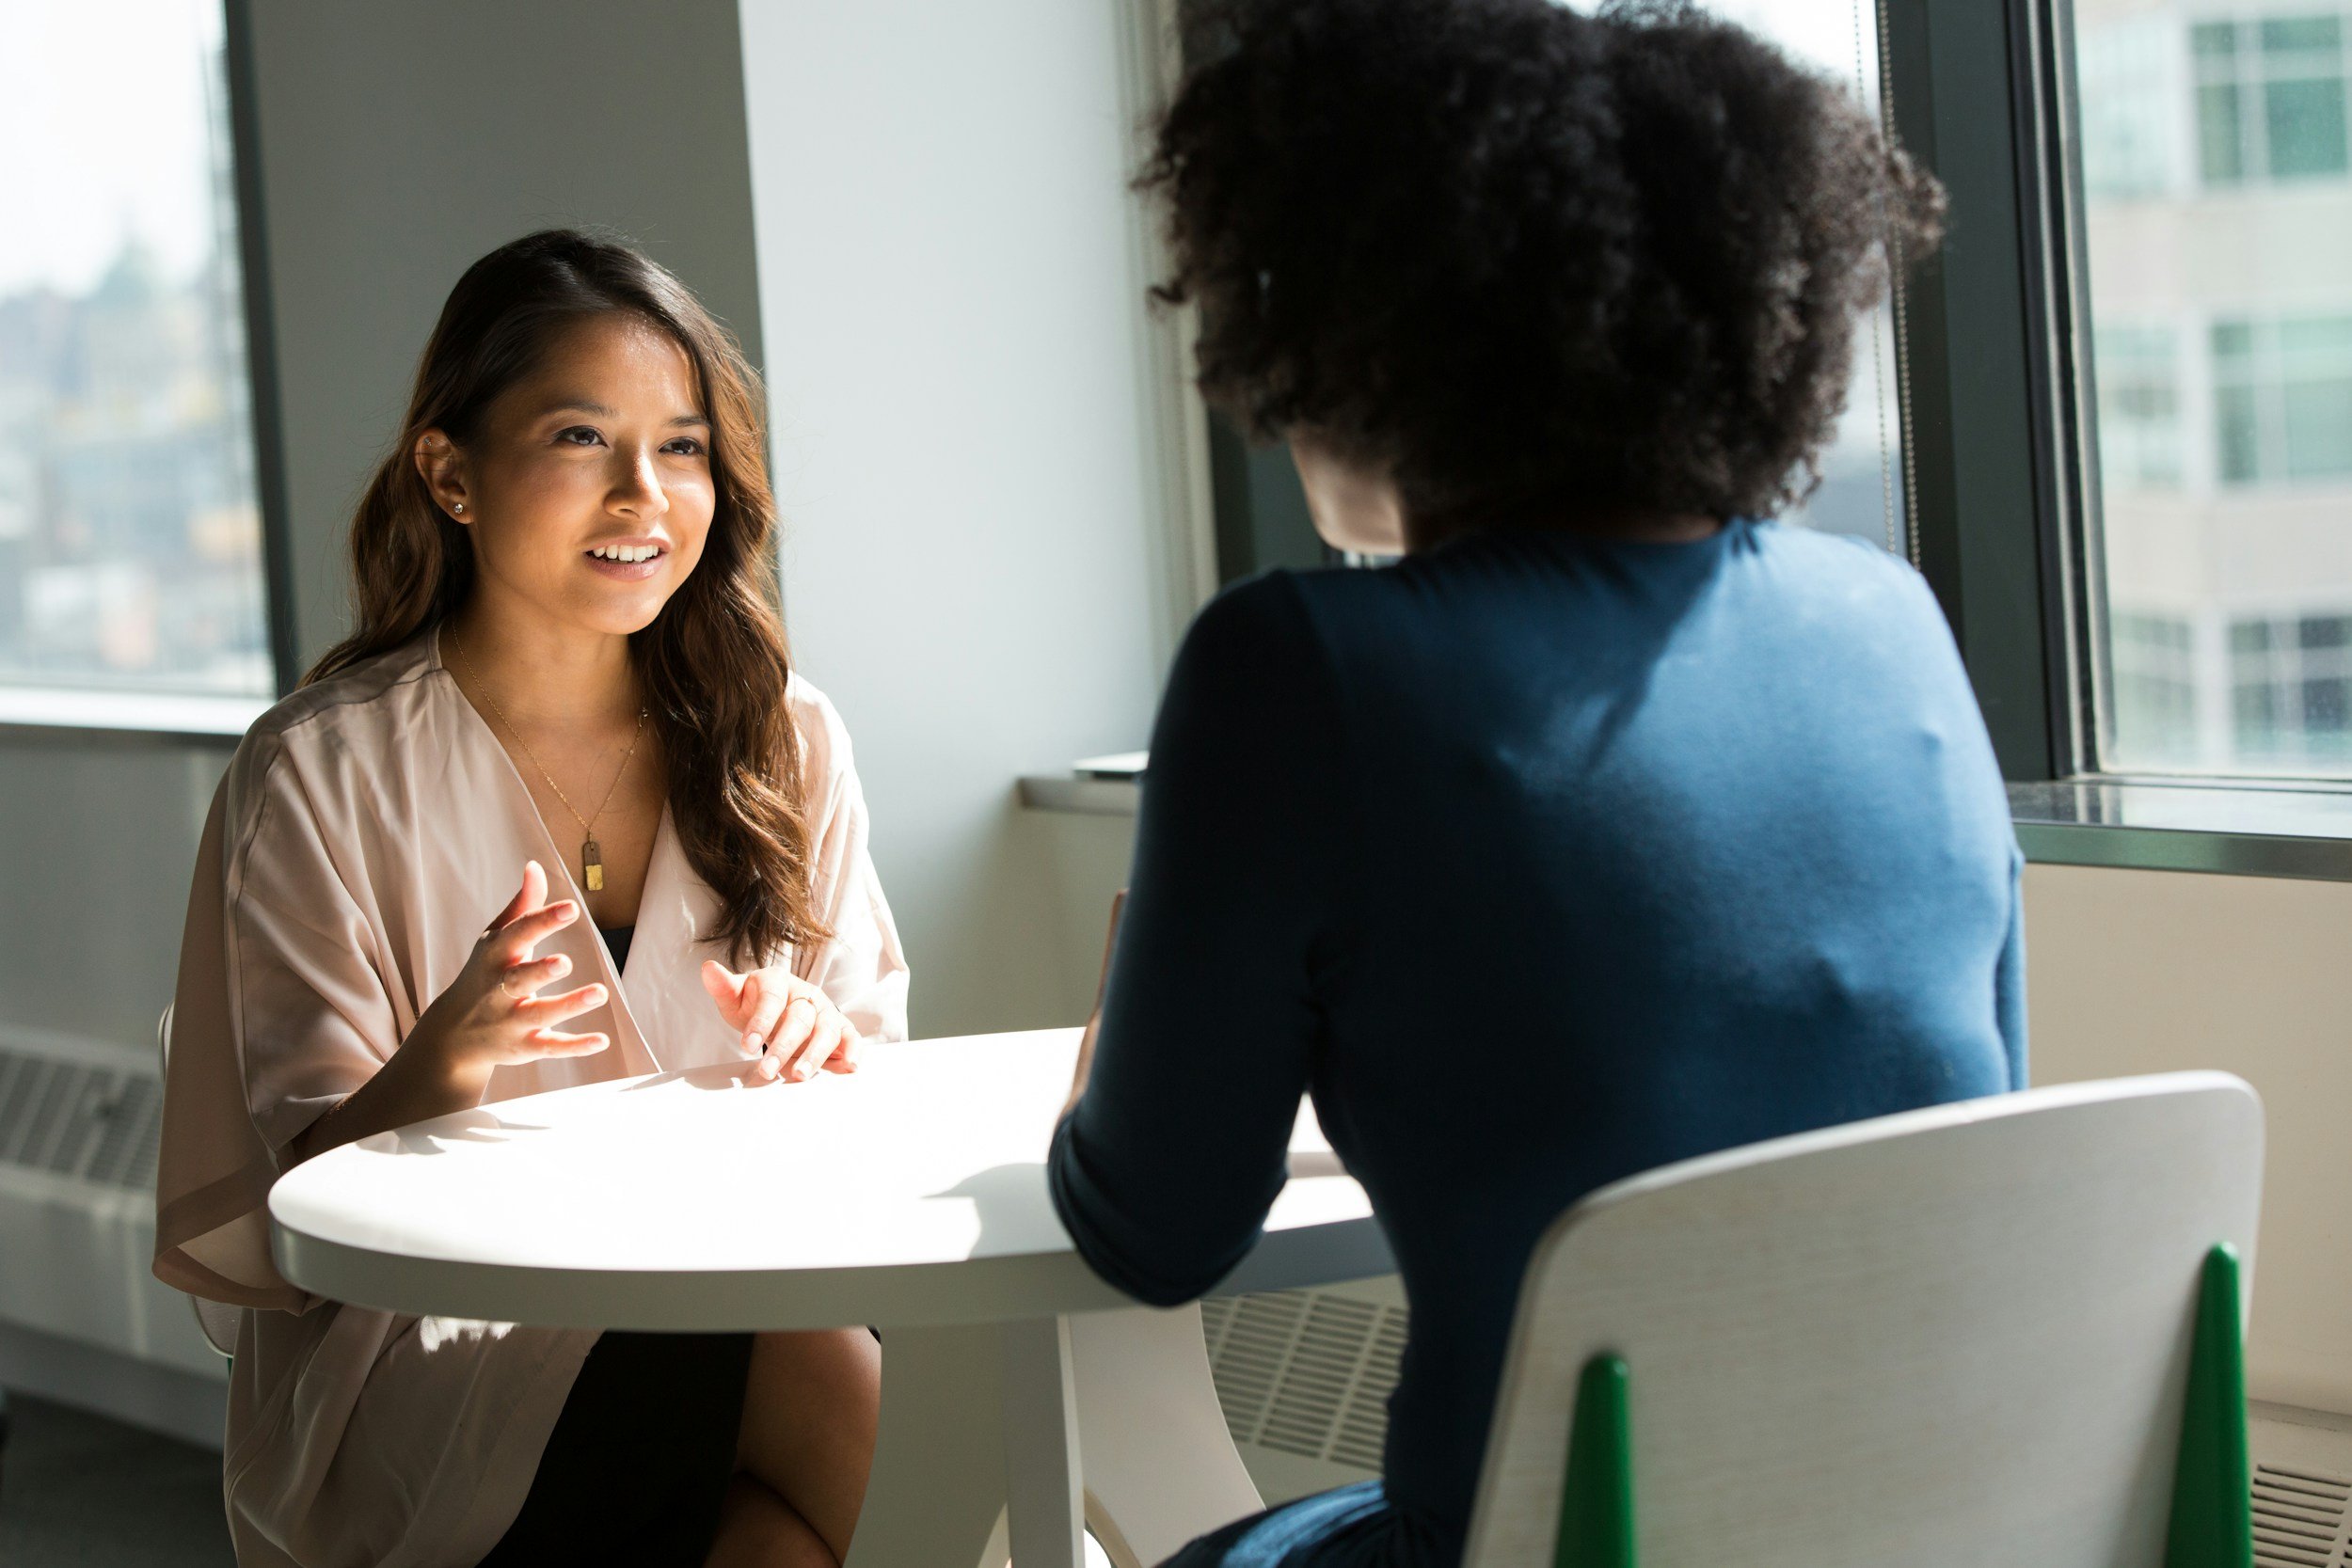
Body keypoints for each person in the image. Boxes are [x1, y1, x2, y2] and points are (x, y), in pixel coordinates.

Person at [1046, 2, 2019, 1564]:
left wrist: (1119, 1071)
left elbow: (1153, 1234)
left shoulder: (1296, 664)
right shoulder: (1893, 626)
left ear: (1361, 334)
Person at [153, 230, 906, 1568]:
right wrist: (430, 1076)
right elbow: (291, 1227)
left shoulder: (786, 738)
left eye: (682, 447)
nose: (646, 496)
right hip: (427, 1358)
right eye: (580, 439)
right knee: (820, 1372)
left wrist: (822, 1044)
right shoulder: (320, 772)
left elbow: (876, 1092)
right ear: (450, 474)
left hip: (743, 1290)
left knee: (802, 1426)